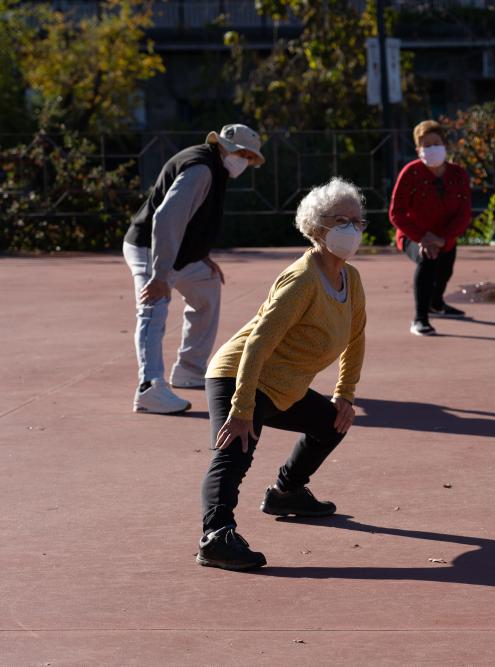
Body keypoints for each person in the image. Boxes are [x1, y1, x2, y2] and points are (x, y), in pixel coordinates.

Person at [197, 177, 367, 571]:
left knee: (333, 422)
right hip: (238, 374)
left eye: (358, 222)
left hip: (282, 388)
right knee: (235, 451)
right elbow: (257, 343)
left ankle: (286, 492)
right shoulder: (303, 279)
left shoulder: (351, 279)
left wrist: (345, 394)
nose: (351, 229)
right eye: (342, 220)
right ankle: (216, 536)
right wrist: (240, 409)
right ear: (317, 227)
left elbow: (356, 337)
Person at [123, 124, 265, 414]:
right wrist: (160, 275)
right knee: (154, 306)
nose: (246, 162)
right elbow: (166, 219)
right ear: (225, 148)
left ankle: (189, 369)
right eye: (244, 154)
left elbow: (195, 218)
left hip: (181, 255)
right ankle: (149, 388)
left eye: (251, 158)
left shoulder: (215, 167)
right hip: (152, 249)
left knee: (207, 286)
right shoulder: (201, 169)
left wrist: (202, 255)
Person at [389, 120, 472, 336]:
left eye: (435, 143)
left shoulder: (458, 174)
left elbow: (464, 214)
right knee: (428, 260)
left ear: (444, 145)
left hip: (446, 238)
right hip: (414, 236)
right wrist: (423, 238)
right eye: (426, 145)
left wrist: (444, 238)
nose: (431, 148)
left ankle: (437, 304)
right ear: (418, 150)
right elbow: (396, 213)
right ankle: (420, 319)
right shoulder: (410, 173)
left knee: (445, 270)